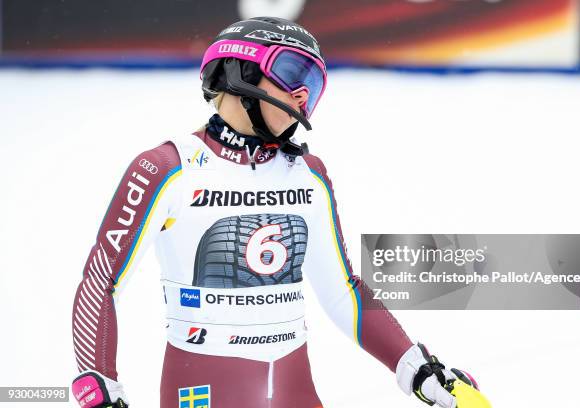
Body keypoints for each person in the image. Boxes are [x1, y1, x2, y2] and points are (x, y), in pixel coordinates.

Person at [70, 16, 483, 408]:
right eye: (292, 73)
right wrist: (99, 383)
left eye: (313, 84)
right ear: (239, 72)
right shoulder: (167, 167)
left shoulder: (309, 174)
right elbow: (100, 282)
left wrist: (416, 368)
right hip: (202, 388)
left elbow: (343, 290)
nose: (303, 94)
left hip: (293, 387)